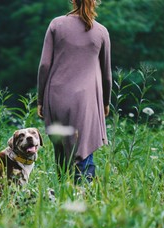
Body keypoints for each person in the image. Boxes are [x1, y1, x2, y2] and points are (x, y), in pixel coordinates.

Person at [37, 0, 112, 183]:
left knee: (62, 150)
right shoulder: (101, 31)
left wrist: (40, 100)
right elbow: (107, 74)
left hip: (57, 96)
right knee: (83, 147)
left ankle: (62, 195)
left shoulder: (56, 24)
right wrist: (105, 102)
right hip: (86, 100)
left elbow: (45, 65)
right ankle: (82, 196)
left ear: (72, 1)